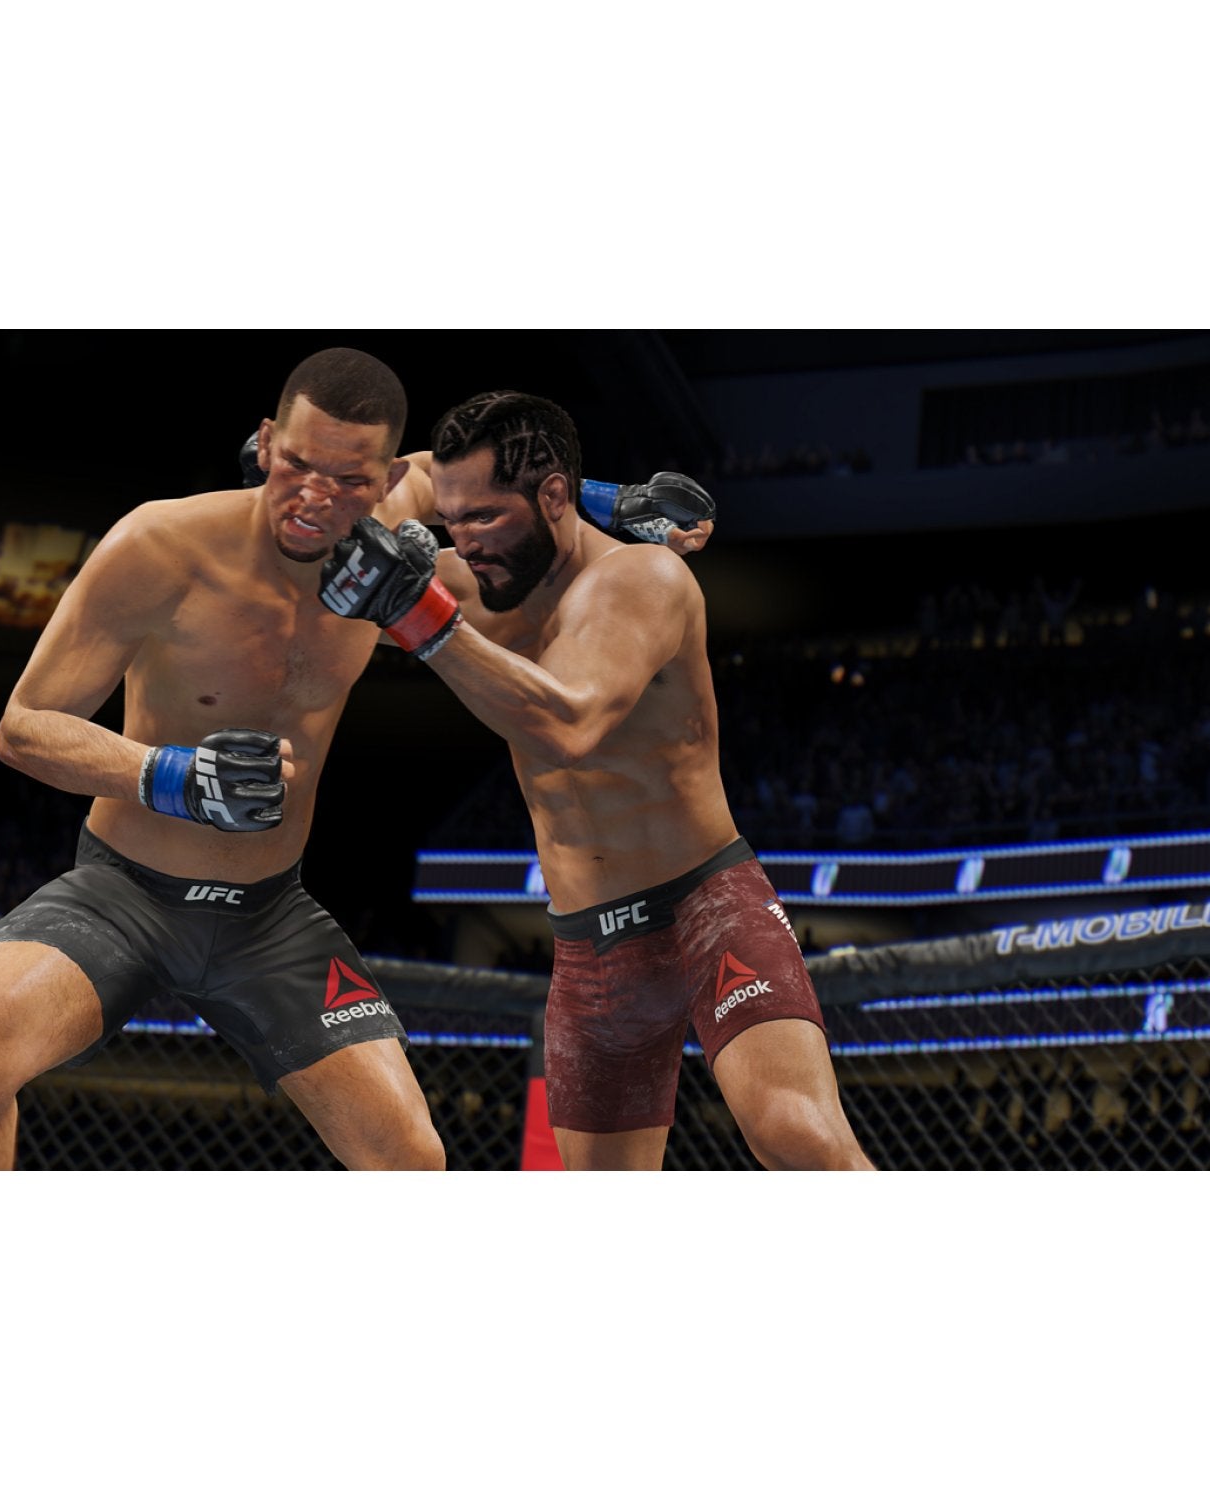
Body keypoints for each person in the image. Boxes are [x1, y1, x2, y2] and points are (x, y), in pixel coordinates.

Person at [318, 391, 874, 1171]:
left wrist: (417, 618)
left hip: (703, 909)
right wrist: (602, 494)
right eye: (453, 518)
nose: (464, 540)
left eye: (486, 517)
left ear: (550, 497)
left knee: (798, 1135)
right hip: (589, 944)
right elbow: (338, 520)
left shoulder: (643, 578)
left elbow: (568, 723)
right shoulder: (470, 582)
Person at [0, 348, 450, 1170]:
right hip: (123, 895)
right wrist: (173, 777)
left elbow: (468, 470)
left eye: (349, 481)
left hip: (268, 916)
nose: (316, 498)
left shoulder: (384, 529)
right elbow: (23, 727)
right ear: (265, 442)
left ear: (386, 482)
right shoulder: (161, 543)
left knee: (412, 1160)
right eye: (297, 465)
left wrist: (606, 504)